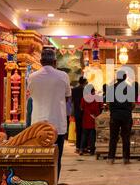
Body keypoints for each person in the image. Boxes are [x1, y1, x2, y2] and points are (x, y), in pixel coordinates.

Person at [28, 48, 71, 178]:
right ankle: (54, 183)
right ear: (55, 62)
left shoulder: (32, 77)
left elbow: (31, 95)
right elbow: (67, 96)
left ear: (41, 61)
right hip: (57, 123)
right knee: (56, 157)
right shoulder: (63, 76)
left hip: (37, 125)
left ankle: (41, 182)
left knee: (39, 156)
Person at [107, 70, 134, 164]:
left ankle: (111, 158)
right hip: (126, 115)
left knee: (113, 137)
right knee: (126, 137)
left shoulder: (111, 88)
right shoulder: (130, 88)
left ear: (116, 77)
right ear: (125, 77)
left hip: (114, 115)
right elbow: (132, 103)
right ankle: (126, 159)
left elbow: (108, 103)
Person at [80, 84, 102, 155]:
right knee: (93, 135)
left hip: (86, 119)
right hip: (94, 119)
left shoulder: (84, 98)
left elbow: (81, 108)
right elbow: (101, 106)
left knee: (84, 135)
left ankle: (81, 149)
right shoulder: (98, 97)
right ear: (93, 91)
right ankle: (92, 151)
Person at [72, 76, 87, 153]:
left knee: (78, 129)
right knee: (84, 130)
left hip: (77, 112)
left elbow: (72, 101)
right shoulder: (86, 90)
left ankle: (78, 147)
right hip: (84, 112)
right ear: (84, 82)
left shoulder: (74, 90)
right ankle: (83, 147)